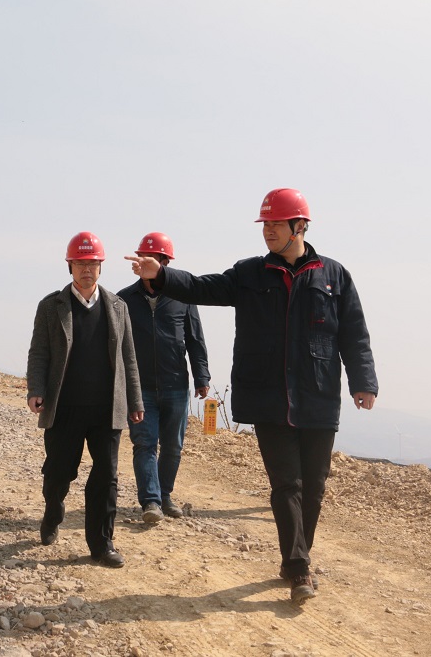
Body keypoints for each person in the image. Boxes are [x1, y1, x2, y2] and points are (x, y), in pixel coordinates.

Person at [126, 189, 378, 603]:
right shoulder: (249, 274)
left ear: (300, 226)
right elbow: (202, 288)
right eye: (265, 225)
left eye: (276, 224)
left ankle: (296, 557)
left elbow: (354, 332)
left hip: (317, 395)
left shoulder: (334, 276)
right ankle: (299, 568)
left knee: (313, 488)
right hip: (267, 396)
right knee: (287, 484)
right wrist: (162, 276)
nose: (268, 232)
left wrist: (363, 381)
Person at [27, 231, 144, 568]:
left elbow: (128, 357)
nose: (86, 269)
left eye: (92, 263)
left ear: (101, 266)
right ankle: (53, 511)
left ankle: (102, 544)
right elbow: (39, 353)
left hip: (107, 409)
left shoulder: (117, 307)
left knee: (107, 476)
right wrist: (36, 389)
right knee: (59, 471)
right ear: (70, 266)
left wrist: (135, 400)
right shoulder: (51, 306)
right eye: (80, 263)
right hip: (64, 407)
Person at [117, 232, 210, 524]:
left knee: (173, 446)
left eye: (152, 259)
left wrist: (202, 376)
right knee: (145, 444)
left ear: (165, 263)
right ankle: (151, 501)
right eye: (142, 257)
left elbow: (195, 339)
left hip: (176, 386)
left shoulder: (183, 298)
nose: (145, 263)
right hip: (139, 388)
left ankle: (165, 495)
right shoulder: (124, 300)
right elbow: (115, 345)